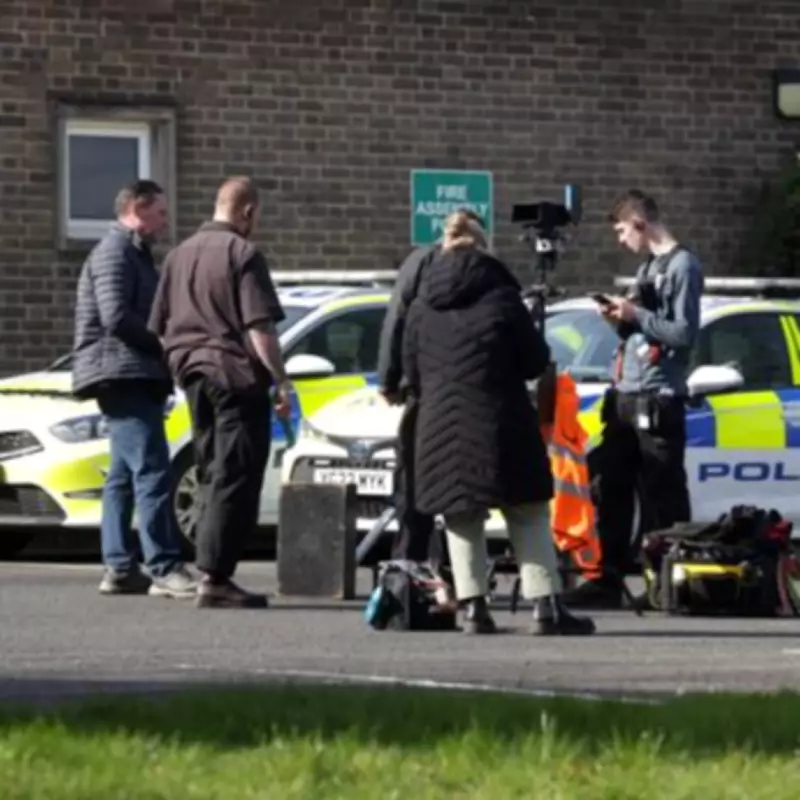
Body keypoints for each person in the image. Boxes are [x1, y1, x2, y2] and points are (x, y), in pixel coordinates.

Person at [402, 210, 596, 635]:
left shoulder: (420, 305)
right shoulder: (503, 298)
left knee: (460, 513)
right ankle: (546, 606)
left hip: (439, 425)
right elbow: (535, 361)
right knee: (526, 509)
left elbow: (411, 373)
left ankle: (473, 607)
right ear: (483, 248)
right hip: (501, 419)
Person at [148, 176, 291, 609]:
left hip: (192, 375)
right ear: (248, 211)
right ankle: (215, 577)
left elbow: (159, 327)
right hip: (234, 376)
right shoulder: (242, 253)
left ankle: (211, 570)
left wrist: (180, 363)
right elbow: (259, 328)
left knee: (211, 469)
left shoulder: (177, 255)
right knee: (238, 473)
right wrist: (281, 380)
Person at [566, 189, 704, 609]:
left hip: (657, 398)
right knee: (610, 487)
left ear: (640, 224)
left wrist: (635, 315)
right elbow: (642, 330)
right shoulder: (648, 266)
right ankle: (606, 579)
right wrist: (619, 320)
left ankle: (669, 585)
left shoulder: (682, 266)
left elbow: (683, 333)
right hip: (626, 396)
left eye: (622, 230)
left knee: (663, 495)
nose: (620, 239)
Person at [72, 179, 197, 599]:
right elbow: (115, 316)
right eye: (160, 212)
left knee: (123, 476)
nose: (165, 222)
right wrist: (161, 343)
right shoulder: (115, 252)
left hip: (129, 372)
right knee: (152, 468)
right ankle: (165, 566)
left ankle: (121, 567)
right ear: (138, 209)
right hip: (122, 373)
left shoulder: (133, 253)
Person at [376, 210, 484, 567]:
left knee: (414, 477)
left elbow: (397, 319)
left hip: (424, 387)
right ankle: (458, 571)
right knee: (462, 486)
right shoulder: (485, 269)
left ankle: (410, 565)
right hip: (471, 392)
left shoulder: (420, 263)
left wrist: (389, 379)